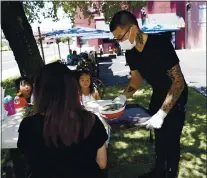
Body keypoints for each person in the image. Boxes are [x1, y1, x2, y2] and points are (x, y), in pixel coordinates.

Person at [110, 10, 188, 178]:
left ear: (132, 29)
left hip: (177, 96)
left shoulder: (160, 44)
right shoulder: (130, 53)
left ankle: (170, 173)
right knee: (159, 140)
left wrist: (162, 114)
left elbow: (178, 82)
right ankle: (158, 172)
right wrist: (123, 96)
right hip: (158, 93)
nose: (118, 43)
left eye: (119, 37)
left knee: (172, 141)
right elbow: (136, 79)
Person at [17, 62, 108, 178]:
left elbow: (28, 159)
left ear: (39, 92)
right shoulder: (91, 121)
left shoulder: (28, 126)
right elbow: (102, 163)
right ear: (73, 89)